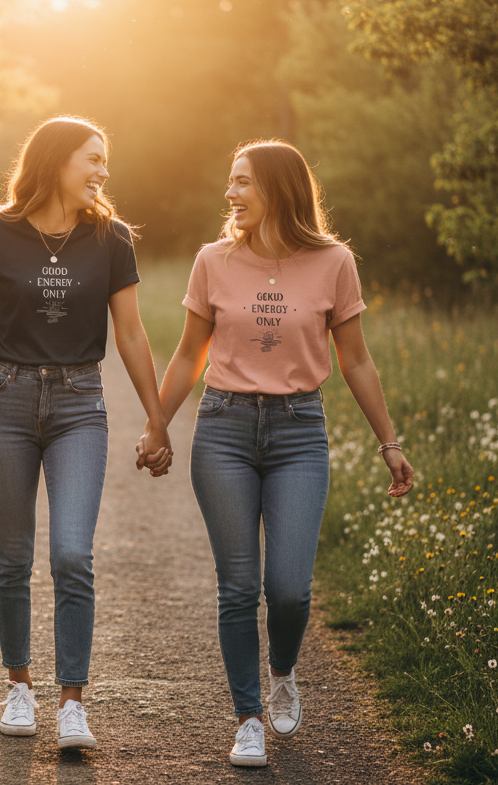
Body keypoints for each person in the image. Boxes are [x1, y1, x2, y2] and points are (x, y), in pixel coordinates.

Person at [139, 139, 414, 767]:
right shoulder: (213, 260)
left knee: (288, 589)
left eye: (243, 183)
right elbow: (188, 355)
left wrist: (388, 443)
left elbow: (356, 359)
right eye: (230, 181)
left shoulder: (334, 262)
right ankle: (249, 717)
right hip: (225, 428)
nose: (230, 194)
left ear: (279, 190)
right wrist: (158, 425)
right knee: (238, 587)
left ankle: (283, 671)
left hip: (298, 432)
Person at [0, 116, 171, 749]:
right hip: (4, 400)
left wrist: (157, 417)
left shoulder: (111, 239)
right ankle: (18, 687)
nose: (102, 171)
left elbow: (133, 334)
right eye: (93, 158)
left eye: (105, 161)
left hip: (78, 404)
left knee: (71, 554)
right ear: (57, 160)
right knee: (11, 556)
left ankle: (71, 703)